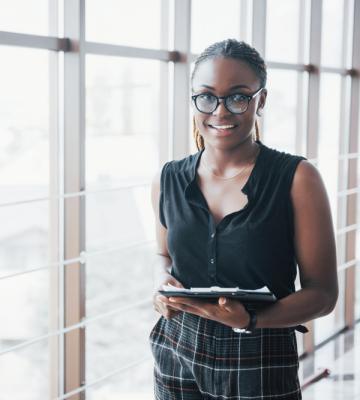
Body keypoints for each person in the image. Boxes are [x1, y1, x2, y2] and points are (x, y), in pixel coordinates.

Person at [149, 39, 338, 399]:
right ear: (193, 100)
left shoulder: (298, 178)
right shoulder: (168, 178)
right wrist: (161, 284)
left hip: (259, 354)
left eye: (237, 97)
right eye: (206, 97)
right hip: (175, 347)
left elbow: (323, 295)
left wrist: (251, 320)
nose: (220, 112)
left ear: (260, 100)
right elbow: (163, 256)